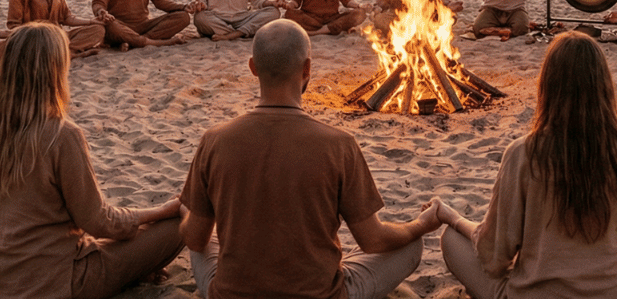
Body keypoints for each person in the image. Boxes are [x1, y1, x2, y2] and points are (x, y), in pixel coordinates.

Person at [179, 19, 440, 299]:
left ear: (253, 68)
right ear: (307, 69)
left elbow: (194, 238)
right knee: (411, 245)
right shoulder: (340, 145)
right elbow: (373, 240)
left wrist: (186, 212)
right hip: (322, 294)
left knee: (202, 233)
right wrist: (422, 224)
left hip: (230, 293)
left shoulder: (215, 140)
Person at [433, 32, 617, 297]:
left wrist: (453, 218)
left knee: (451, 240)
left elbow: (494, 257)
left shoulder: (523, 154)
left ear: (547, 87)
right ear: (604, 87)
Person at [0, 23, 185, 298]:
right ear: (56, 71)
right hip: (52, 281)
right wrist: (163, 210)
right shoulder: (62, 135)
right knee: (178, 226)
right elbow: (99, 221)